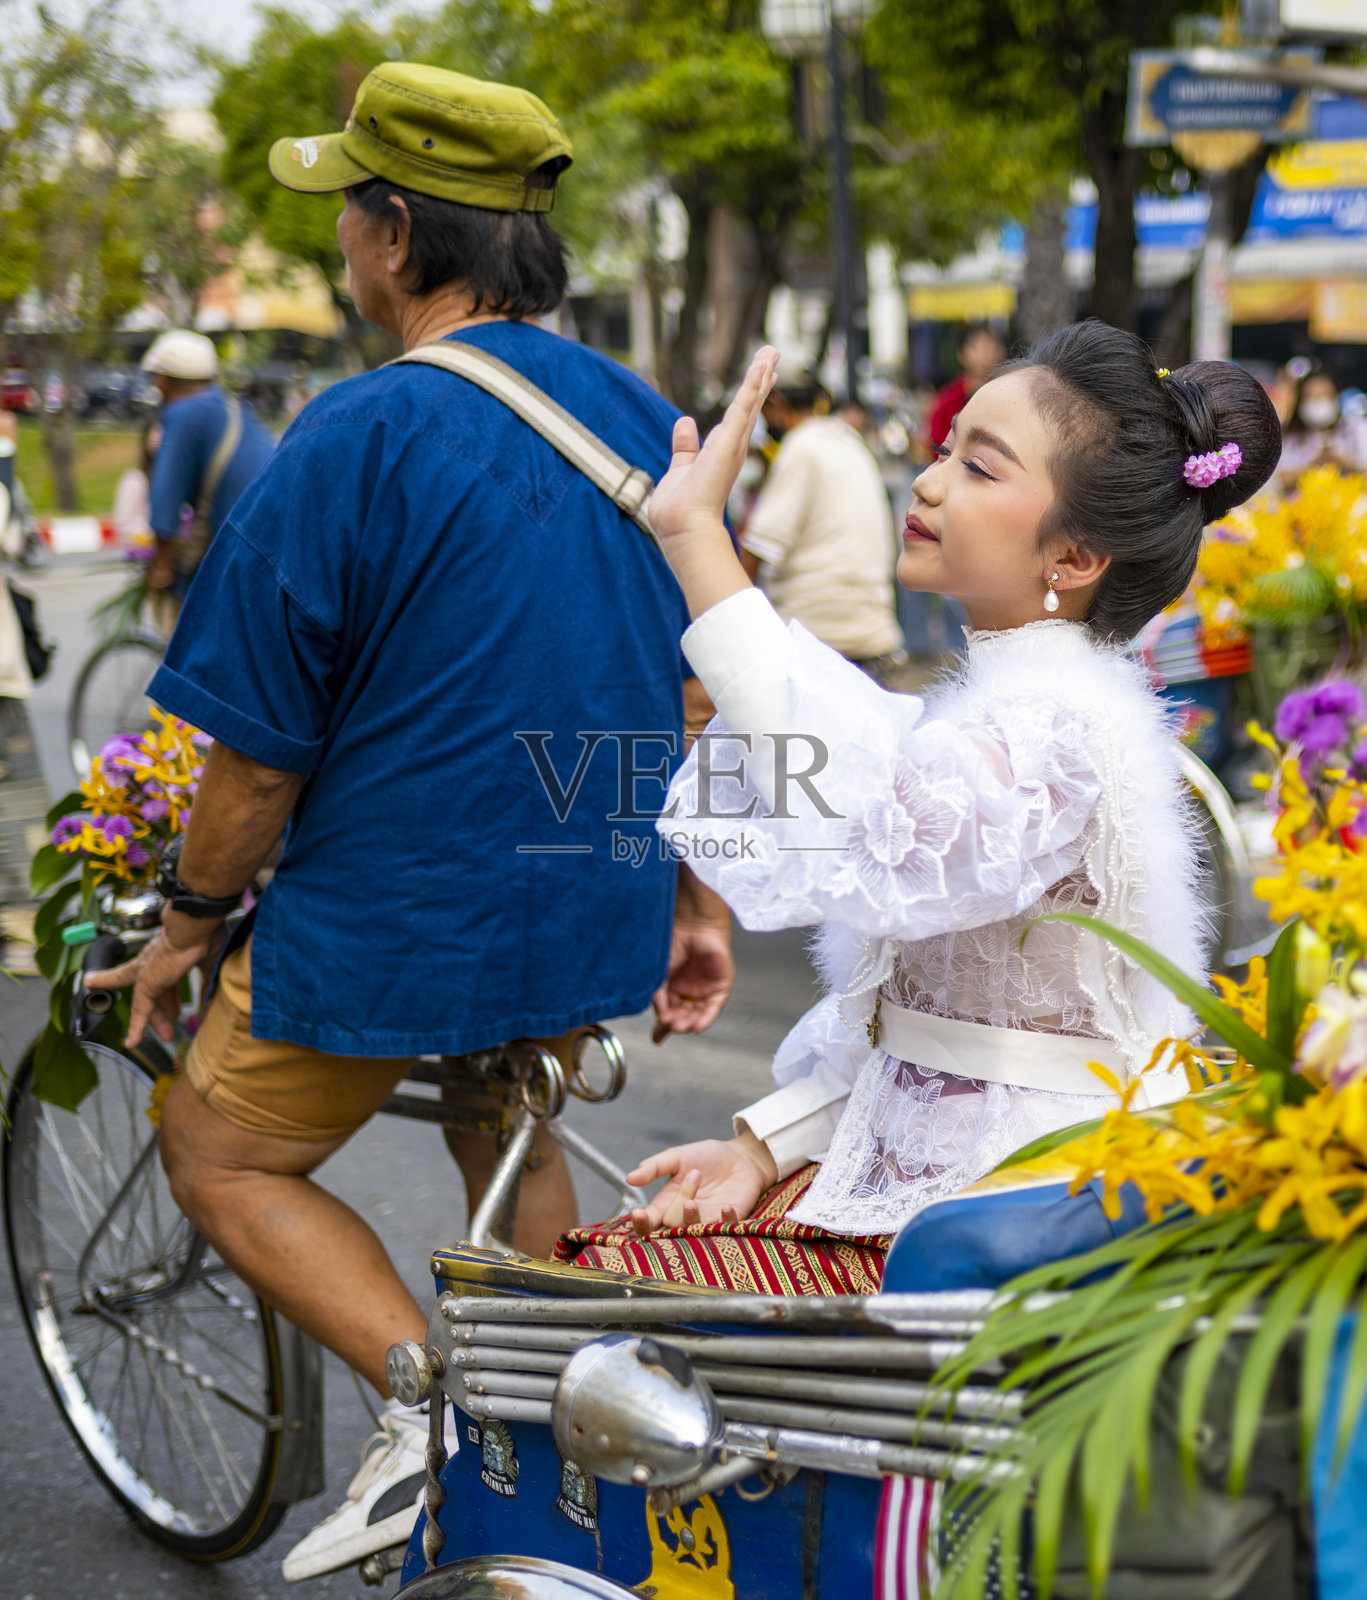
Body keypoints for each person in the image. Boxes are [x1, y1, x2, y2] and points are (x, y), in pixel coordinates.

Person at [86, 61, 734, 1581]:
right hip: (584, 890)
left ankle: (419, 1408)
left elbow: (253, 762)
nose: (338, 244)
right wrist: (694, 899)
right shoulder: (644, 416)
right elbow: (708, 682)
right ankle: (558, 1443)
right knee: (502, 1113)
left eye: (346, 215)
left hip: (399, 914)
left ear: (392, 234)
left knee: (217, 1151)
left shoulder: (354, 433)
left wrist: (186, 924)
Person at [555, 321, 1283, 1294]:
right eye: (943, 451)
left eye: (978, 468)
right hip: (938, 1189)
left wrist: (695, 541)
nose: (929, 484)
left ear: (1072, 556)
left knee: (606, 1305)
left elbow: (864, 822)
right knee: (599, 1295)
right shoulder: (1010, 708)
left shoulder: (1051, 732)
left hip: (1022, 1217)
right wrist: (761, 1146)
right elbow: (906, 1023)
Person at [740, 366, 904, 681]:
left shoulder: (800, 448)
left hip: (818, 631)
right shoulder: (849, 441)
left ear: (775, 404)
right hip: (873, 629)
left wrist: (726, 612)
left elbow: (759, 547)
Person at [139, 329, 275, 611]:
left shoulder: (183, 414)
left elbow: (166, 495)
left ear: (162, 380)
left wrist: (161, 567)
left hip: (238, 550)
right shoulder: (235, 408)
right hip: (270, 547)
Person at [1277, 369, 1367, 490]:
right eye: (1311, 397)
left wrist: (1344, 462)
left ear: (1336, 398)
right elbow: (1281, 480)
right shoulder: (1290, 435)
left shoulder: (1356, 429)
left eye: (1325, 396)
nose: (1318, 403)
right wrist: (1314, 465)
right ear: (1300, 402)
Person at [924, 322, 1005, 451]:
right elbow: (937, 445)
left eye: (990, 346)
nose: (985, 354)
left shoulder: (1007, 394)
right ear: (961, 354)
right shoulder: (948, 401)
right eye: (977, 347)